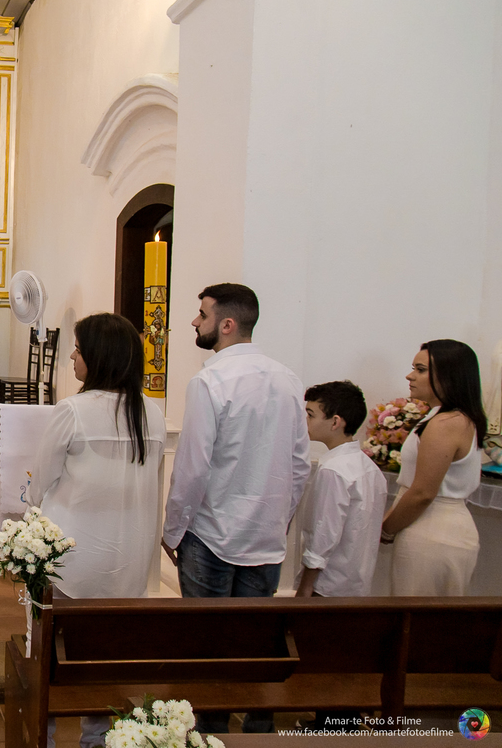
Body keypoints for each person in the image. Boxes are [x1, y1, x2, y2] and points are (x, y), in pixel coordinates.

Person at [161, 282, 310, 734]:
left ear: (226, 325)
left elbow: (193, 468)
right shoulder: (288, 379)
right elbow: (300, 464)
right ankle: (258, 736)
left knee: (207, 649)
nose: (193, 321)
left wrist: (173, 531)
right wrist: (278, 518)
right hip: (265, 538)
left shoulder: (210, 381)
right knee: (255, 647)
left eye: (201, 314)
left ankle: (210, 734)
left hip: (210, 536)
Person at [29, 312, 166, 748]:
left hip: (72, 563)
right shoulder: (154, 413)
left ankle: (43, 736)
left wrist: (30, 507)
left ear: (99, 357)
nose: (72, 355)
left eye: (78, 348)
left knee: (48, 659)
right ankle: (98, 739)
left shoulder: (73, 410)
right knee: (106, 660)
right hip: (129, 563)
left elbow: (39, 484)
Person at [383, 340, 487, 596]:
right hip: (433, 526)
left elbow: (423, 493)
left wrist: (385, 528)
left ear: (449, 375)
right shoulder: (443, 416)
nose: (410, 376)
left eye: (420, 369)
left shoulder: (446, 423)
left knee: (420, 623)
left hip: (433, 528)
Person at [295, 381, 387, 600]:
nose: (305, 420)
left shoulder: (334, 470)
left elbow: (323, 535)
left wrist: (305, 587)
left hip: (326, 586)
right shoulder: (369, 468)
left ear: (335, 421)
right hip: (356, 584)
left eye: (310, 414)